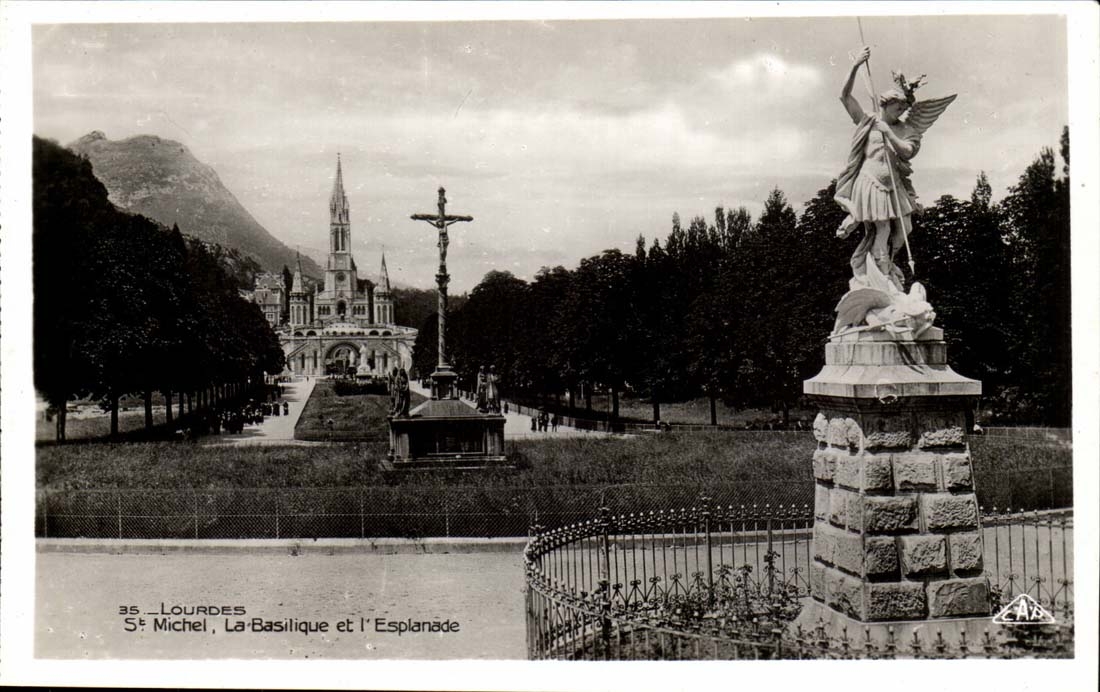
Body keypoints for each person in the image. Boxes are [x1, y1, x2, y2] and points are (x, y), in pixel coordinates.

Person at [835, 46, 956, 292]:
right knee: (883, 228)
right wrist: (856, 65)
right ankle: (880, 280)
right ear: (886, 104)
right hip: (871, 182)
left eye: (903, 109)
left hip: (894, 186)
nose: (901, 112)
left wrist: (888, 131)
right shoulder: (868, 121)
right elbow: (845, 96)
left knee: (905, 228)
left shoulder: (904, 129)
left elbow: (908, 152)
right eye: (897, 108)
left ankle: (886, 266)